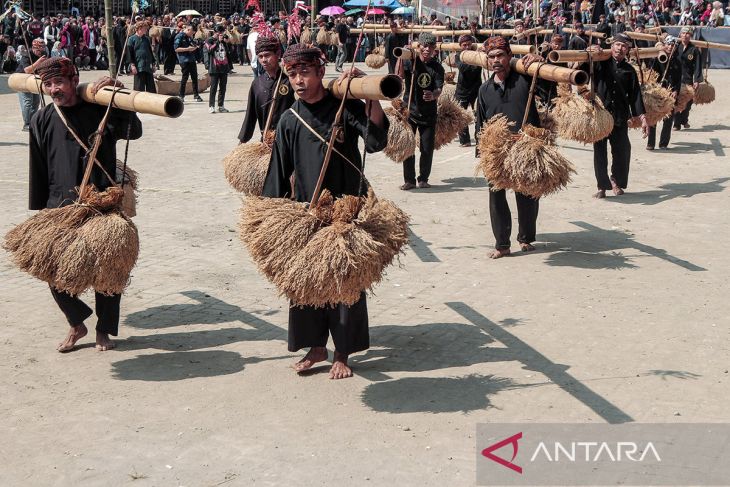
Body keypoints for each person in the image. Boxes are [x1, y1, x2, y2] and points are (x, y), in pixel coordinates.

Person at [261, 44, 388, 380]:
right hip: (307, 212)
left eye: (305, 72)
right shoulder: (289, 119)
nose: (299, 80)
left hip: (348, 210)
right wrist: (269, 219)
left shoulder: (343, 108)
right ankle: (315, 347)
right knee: (305, 281)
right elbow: (277, 172)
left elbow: (376, 142)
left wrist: (369, 95)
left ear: (321, 72)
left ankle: (343, 352)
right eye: (293, 74)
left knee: (346, 281)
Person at [27, 57, 142, 352]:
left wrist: (119, 96)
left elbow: (134, 131)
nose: (54, 89)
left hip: (102, 203)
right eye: (48, 84)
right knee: (50, 267)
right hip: (60, 206)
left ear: (74, 80)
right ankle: (77, 323)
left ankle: (104, 330)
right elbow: (38, 165)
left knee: (108, 270)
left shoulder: (100, 108)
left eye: (59, 82)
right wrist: (41, 208)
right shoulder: (42, 118)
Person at [474, 37, 544, 259]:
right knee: (496, 196)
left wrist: (539, 61)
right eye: (491, 56)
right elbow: (480, 122)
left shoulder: (526, 80)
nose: (496, 60)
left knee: (527, 194)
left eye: (500, 55)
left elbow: (553, 86)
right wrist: (481, 152)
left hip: (525, 146)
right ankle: (502, 244)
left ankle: (525, 238)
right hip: (496, 151)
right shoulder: (484, 90)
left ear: (509, 56)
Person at [584, 33, 647, 198]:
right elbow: (582, 71)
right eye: (618, 44)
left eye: (624, 46)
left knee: (623, 150)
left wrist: (642, 117)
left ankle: (616, 181)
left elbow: (635, 95)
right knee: (600, 152)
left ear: (628, 50)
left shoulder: (629, 70)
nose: (620, 48)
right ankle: (601, 186)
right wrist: (589, 53)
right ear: (612, 46)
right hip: (600, 115)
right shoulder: (600, 63)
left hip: (619, 116)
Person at [396, 32, 444, 190]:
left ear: (434, 49)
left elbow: (438, 89)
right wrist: (402, 57)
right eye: (424, 46)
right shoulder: (411, 61)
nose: (427, 49)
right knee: (408, 147)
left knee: (426, 148)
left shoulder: (437, 68)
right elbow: (398, 75)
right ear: (419, 46)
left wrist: (433, 95)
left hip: (429, 113)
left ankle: (423, 178)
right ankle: (409, 180)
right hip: (410, 110)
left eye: (430, 46)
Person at [238, 35, 295, 142]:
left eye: (267, 55)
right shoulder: (257, 84)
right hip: (266, 142)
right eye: (260, 56)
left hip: (289, 141)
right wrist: (243, 140)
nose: (264, 60)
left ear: (278, 54)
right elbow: (250, 116)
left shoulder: (290, 80)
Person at [647, 36, 682, 150]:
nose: (671, 47)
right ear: (665, 45)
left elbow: (678, 79)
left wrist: (676, 90)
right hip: (658, 91)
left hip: (671, 92)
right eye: (669, 44)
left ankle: (663, 143)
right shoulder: (657, 58)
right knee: (653, 116)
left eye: (673, 45)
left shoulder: (677, 61)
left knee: (669, 118)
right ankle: (651, 143)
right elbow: (651, 74)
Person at [454, 35, 481, 147]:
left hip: (476, 89)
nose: (467, 47)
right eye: (464, 45)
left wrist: (477, 56)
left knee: (479, 115)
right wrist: (474, 62)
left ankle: (479, 139)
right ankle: (465, 140)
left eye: (469, 44)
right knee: (460, 115)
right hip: (462, 90)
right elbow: (463, 68)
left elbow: (478, 67)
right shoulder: (458, 56)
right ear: (460, 46)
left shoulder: (478, 55)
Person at [673, 26, 702, 131]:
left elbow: (698, 66)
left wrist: (697, 80)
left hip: (688, 79)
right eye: (683, 33)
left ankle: (684, 119)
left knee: (688, 102)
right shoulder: (675, 48)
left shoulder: (694, 50)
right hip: (676, 79)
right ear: (680, 35)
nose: (685, 35)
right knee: (676, 101)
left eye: (687, 34)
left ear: (691, 36)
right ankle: (676, 124)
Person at [16, 39, 46, 131]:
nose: (40, 52)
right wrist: (39, 61)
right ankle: (26, 124)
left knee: (35, 102)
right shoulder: (26, 55)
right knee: (27, 102)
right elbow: (27, 70)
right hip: (22, 79)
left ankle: (33, 122)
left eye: (42, 49)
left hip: (33, 80)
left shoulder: (43, 54)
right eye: (38, 50)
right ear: (33, 48)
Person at [205, 25, 233, 113]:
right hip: (214, 67)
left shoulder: (223, 41)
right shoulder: (209, 40)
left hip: (224, 67)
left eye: (222, 32)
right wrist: (218, 42)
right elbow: (209, 49)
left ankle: (221, 106)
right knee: (213, 88)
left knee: (223, 88)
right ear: (215, 32)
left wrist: (226, 42)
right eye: (219, 32)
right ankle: (211, 106)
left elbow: (228, 52)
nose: (220, 34)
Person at [174, 25, 203, 102]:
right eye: (192, 32)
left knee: (194, 77)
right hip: (184, 60)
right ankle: (181, 95)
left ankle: (196, 95)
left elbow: (193, 45)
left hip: (191, 59)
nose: (192, 34)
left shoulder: (189, 37)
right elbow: (176, 49)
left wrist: (196, 46)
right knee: (185, 77)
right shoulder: (179, 36)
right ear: (188, 30)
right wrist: (187, 49)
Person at [127, 21, 156, 93]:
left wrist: (153, 63)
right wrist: (132, 65)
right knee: (139, 88)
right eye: (145, 28)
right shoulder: (131, 39)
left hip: (147, 66)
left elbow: (150, 52)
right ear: (139, 28)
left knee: (151, 88)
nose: (146, 30)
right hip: (138, 66)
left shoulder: (146, 39)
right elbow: (129, 53)